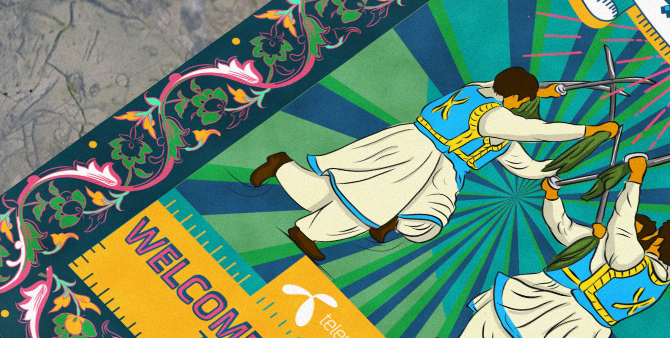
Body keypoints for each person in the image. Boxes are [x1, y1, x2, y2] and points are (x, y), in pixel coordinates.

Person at [249, 66, 616, 261]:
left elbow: (527, 166)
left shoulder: (482, 92)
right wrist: (590, 131)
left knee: (426, 221)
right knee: (362, 199)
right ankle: (306, 228)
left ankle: (284, 169)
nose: (525, 106)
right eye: (525, 100)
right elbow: (539, 131)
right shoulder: (495, 116)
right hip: (419, 155)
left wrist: (564, 164)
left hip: (438, 169)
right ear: (516, 99)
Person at [432, 154, 670, 338]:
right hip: (593, 327)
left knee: (504, 330)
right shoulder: (668, 274)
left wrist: (635, 180)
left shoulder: (628, 256)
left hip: (570, 308)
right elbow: (566, 228)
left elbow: (622, 220)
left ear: (651, 241)